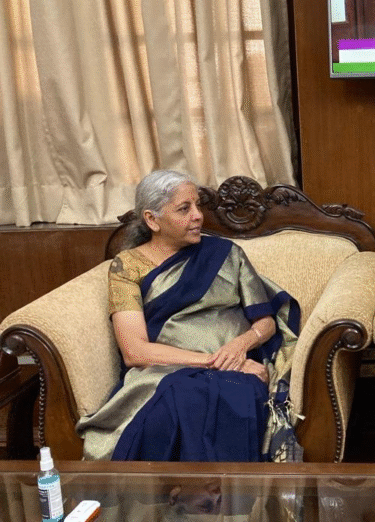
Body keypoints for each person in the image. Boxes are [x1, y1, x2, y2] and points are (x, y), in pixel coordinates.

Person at [77, 170, 301, 462]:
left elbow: (266, 322)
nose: (198, 216)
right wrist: (218, 361)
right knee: (181, 399)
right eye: (184, 209)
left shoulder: (227, 253)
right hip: (164, 372)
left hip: (237, 370)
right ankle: (175, 501)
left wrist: (239, 347)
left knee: (236, 395)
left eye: (197, 205)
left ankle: (234, 502)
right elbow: (134, 352)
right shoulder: (127, 268)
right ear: (151, 220)